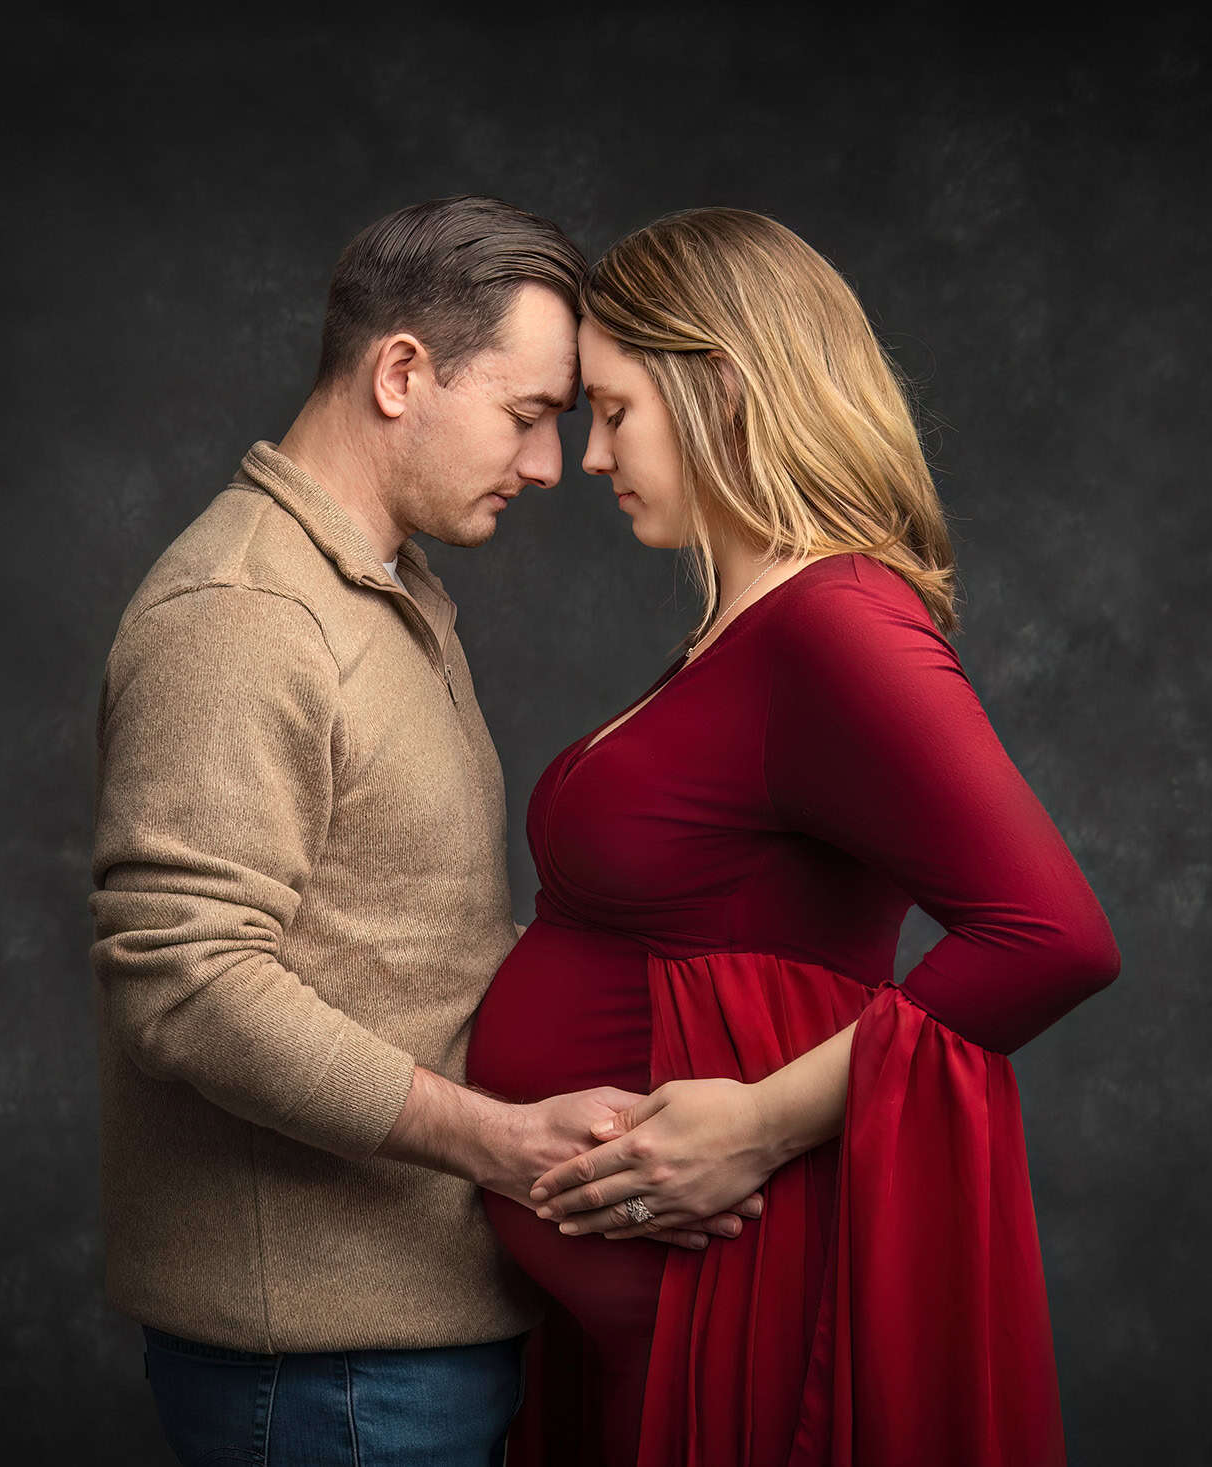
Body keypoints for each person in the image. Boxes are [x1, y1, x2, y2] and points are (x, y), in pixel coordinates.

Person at [85, 196, 760, 1467]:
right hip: (329, 1370)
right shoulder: (244, 614)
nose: (555, 465)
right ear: (402, 372)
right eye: (526, 415)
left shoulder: (381, 597)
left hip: (409, 1342)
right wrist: (500, 1141)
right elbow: (185, 981)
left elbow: (391, 938)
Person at [465, 207, 1124, 1467]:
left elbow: (1053, 935)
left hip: (736, 1306)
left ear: (721, 387)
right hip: (637, 1318)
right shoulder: (748, 623)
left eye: (613, 410)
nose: (591, 458)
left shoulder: (836, 626)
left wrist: (760, 1122)